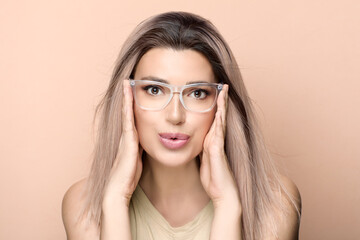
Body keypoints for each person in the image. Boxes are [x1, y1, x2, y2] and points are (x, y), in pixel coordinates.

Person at [61, 11, 302, 240]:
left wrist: (228, 205)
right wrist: (114, 201)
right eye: (154, 90)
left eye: (197, 93)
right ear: (128, 98)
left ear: (222, 103)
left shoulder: (276, 204)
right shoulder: (82, 206)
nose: (175, 115)